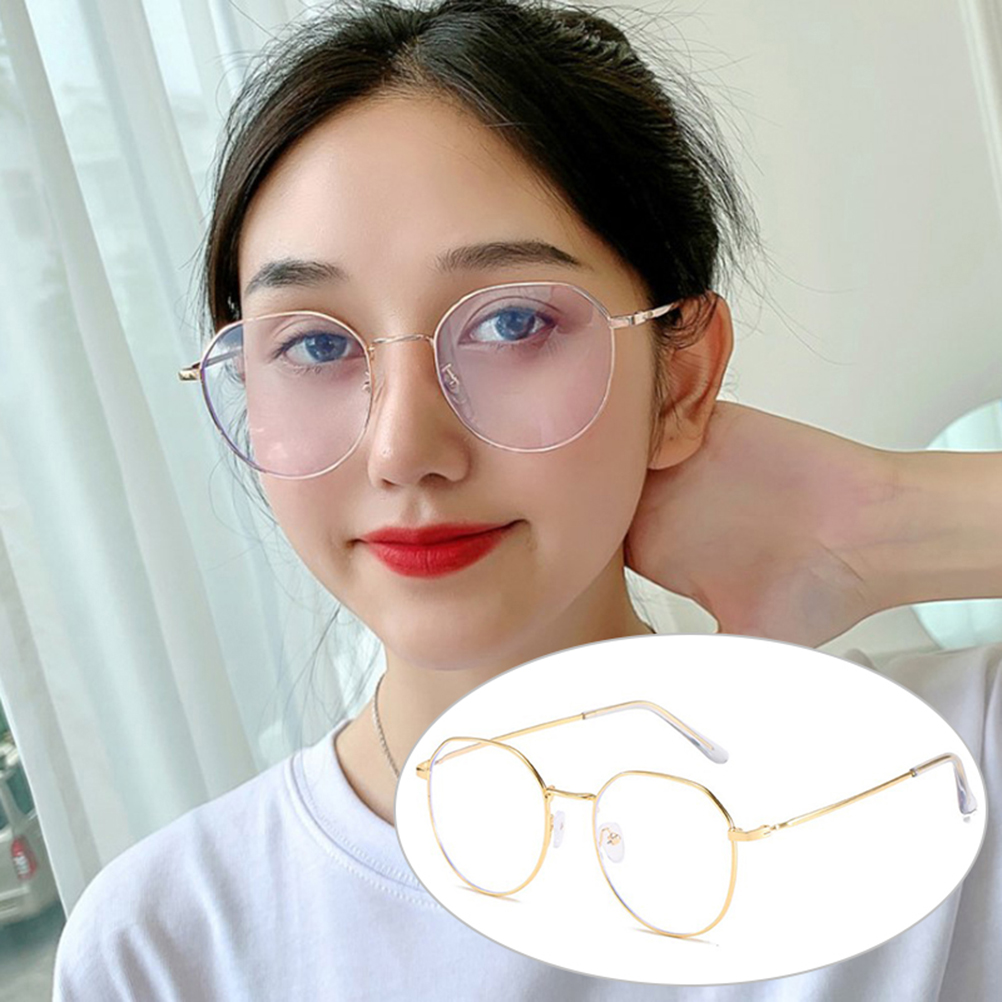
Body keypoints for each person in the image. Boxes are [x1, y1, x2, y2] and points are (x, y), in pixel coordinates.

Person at [51, 0, 1001, 998]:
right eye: (317, 345)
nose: (404, 449)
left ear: (678, 377)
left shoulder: (943, 779)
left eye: (510, 324)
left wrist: (874, 521)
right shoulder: (163, 947)